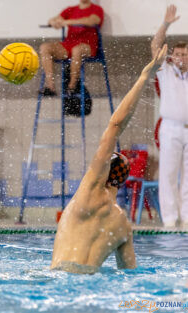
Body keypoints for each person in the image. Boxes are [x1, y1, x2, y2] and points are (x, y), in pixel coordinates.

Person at [51, 45, 168, 274]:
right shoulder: (123, 225)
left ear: (102, 172)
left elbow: (115, 125)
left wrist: (145, 75)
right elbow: (129, 272)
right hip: (90, 288)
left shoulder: (89, 191)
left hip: (58, 280)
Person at [151, 5, 188, 229]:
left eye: (186, 54)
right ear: (172, 56)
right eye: (178, 54)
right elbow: (155, 46)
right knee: (168, 174)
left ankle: (186, 218)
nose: (182, 57)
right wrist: (165, 24)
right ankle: (169, 219)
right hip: (171, 128)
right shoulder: (165, 70)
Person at [39, 0, 104, 96]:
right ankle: (50, 87)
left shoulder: (96, 9)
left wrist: (67, 21)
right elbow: (53, 20)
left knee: (77, 50)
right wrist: (54, 22)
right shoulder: (70, 9)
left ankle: (72, 87)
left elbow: (91, 21)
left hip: (88, 45)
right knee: (45, 47)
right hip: (69, 44)